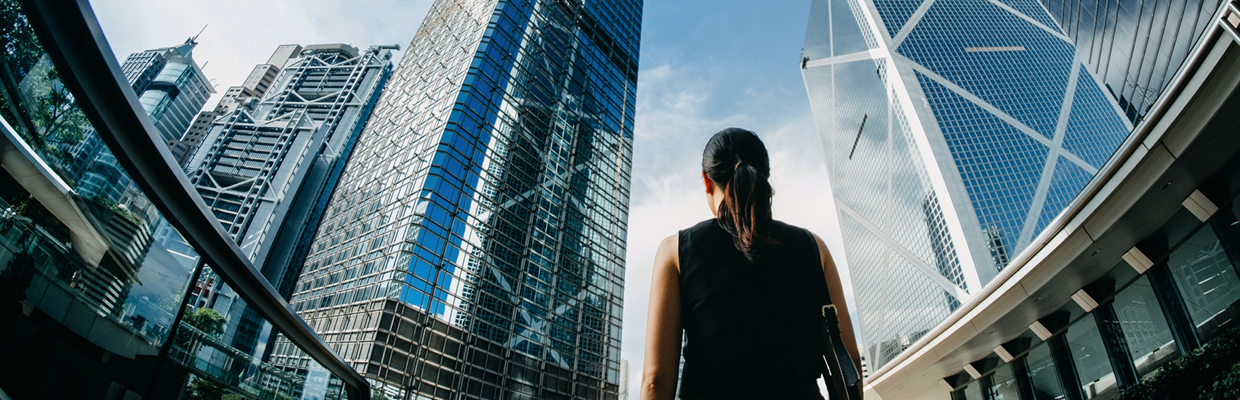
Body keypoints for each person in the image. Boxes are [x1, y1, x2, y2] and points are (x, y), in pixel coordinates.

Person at [640, 128, 861, 400]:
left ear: (706, 181)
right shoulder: (813, 247)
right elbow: (847, 361)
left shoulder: (674, 251)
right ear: (764, 178)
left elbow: (655, 381)